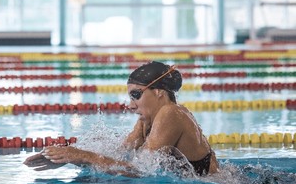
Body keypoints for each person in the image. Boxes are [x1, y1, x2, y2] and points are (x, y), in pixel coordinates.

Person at [24, 61, 219, 177]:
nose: (130, 105)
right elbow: (120, 155)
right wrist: (68, 157)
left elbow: (140, 172)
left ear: (158, 92)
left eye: (136, 95)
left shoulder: (171, 114)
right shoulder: (148, 120)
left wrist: (83, 156)